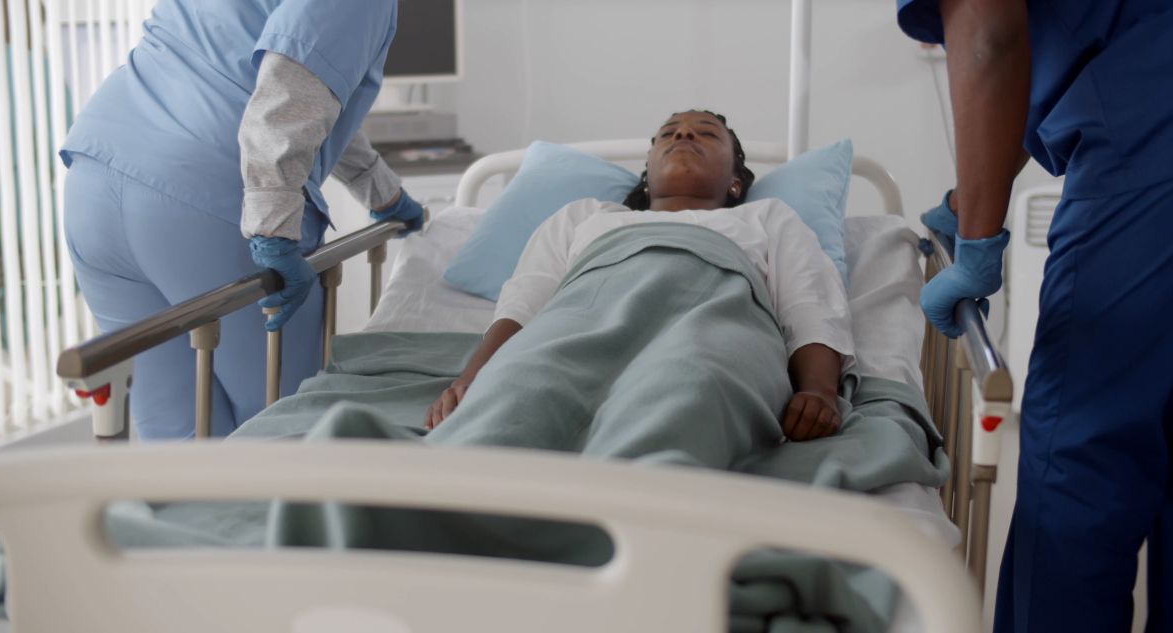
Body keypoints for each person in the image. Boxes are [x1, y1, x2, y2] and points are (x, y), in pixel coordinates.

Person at [894, 0, 1173, 630]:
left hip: (1149, 147)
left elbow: (991, 37)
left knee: (1083, 464)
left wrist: (977, 244)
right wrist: (970, 204)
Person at [60, 0, 425, 440]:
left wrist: (380, 190)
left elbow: (309, 94)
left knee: (178, 435)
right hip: (204, 198)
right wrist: (273, 229)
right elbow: (292, 89)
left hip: (96, 176)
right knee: (280, 429)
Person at [425, 111, 854, 448]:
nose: (682, 136)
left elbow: (809, 306)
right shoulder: (585, 216)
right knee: (521, 393)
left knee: (692, 388)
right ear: (646, 175)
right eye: (669, 133)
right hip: (581, 326)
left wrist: (818, 392)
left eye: (704, 133)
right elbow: (524, 305)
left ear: (736, 183)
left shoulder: (768, 218)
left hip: (713, 329)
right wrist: (474, 379)